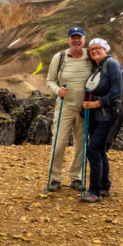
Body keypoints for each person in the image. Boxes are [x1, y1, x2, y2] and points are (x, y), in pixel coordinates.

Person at [45, 27, 92, 192]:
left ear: (84, 40)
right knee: (59, 144)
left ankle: (76, 177)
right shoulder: (60, 58)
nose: (76, 41)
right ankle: (55, 178)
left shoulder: (90, 56)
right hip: (64, 107)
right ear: (69, 40)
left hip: (84, 109)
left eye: (79, 38)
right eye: (73, 38)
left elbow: (108, 66)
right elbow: (50, 80)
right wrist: (57, 90)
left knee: (81, 145)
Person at [81, 38, 123, 203]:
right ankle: (104, 187)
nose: (94, 51)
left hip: (107, 114)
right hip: (98, 115)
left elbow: (116, 91)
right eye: (91, 49)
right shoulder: (99, 67)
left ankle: (95, 191)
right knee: (99, 151)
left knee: (93, 150)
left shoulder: (111, 64)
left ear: (105, 49)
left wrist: (95, 103)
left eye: (98, 48)